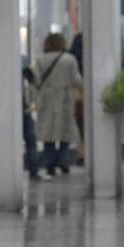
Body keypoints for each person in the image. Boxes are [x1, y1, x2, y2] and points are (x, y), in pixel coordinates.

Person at [33, 33, 83, 176]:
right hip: (65, 97)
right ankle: (64, 163)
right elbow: (76, 79)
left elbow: (36, 81)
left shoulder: (41, 59)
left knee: (48, 134)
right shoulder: (69, 59)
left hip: (47, 97)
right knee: (64, 133)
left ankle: (49, 165)